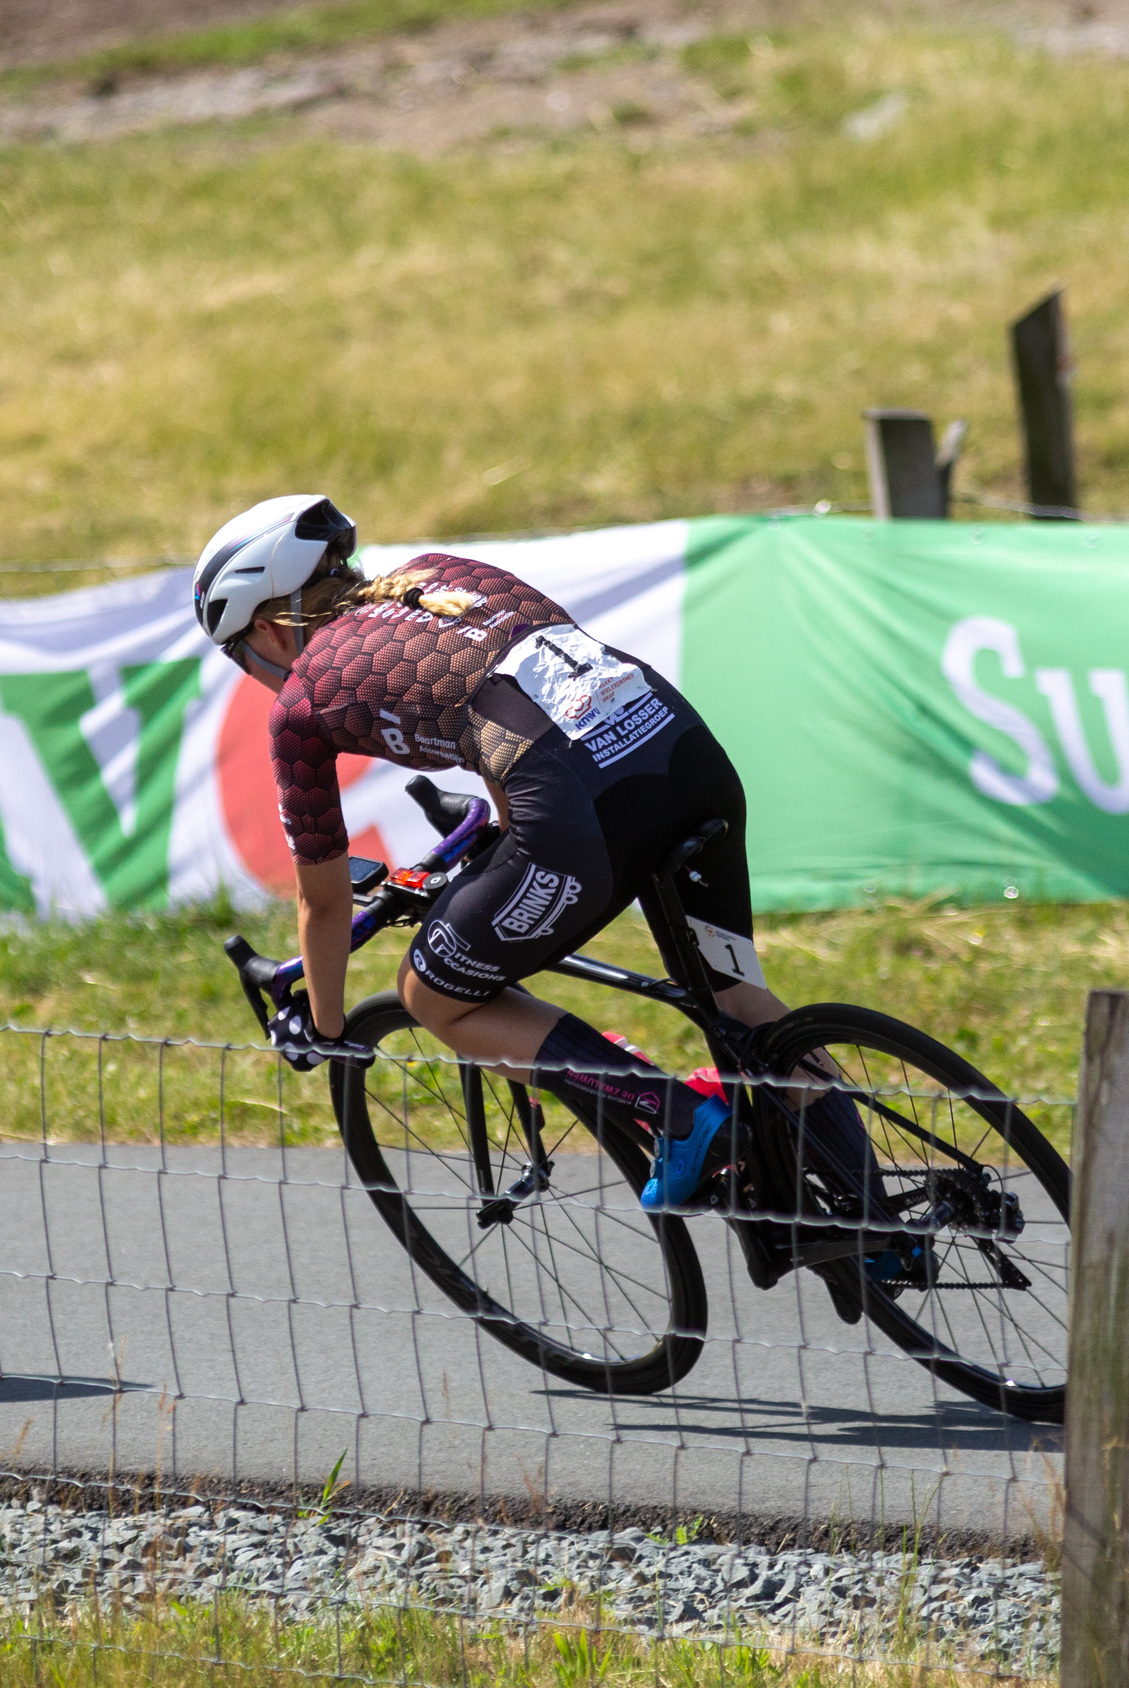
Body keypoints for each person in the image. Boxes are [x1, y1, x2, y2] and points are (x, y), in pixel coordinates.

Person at [194, 495, 791, 1211]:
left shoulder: (301, 705)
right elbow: (526, 706)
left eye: (239, 653)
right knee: (741, 1001)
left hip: (585, 810)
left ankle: (680, 1116)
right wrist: (504, 833)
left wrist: (326, 1030)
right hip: (683, 754)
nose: (248, 669)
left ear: (267, 628)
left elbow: (321, 903)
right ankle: (870, 1214)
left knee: (433, 994)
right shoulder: (441, 574)